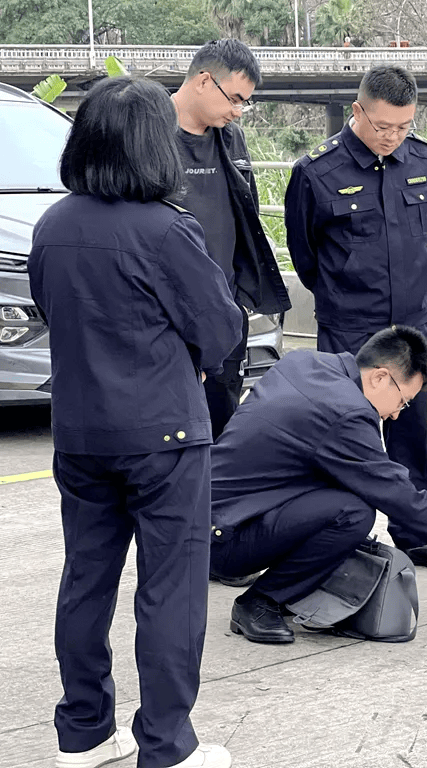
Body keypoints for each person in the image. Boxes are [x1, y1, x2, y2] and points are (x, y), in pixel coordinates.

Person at [29, 77, 242, 768]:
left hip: (82, 433)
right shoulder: (166, 228)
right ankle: (166, 745)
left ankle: (84, 732)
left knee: (85, 581)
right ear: (156, 145)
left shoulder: (53, 226)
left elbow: (51, 311)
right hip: (164, 437)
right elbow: (220, 329)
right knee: (170, 594)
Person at [208, 325, 427, 644]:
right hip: (224, 541)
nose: (398, 414)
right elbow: (400, 497)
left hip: (204, 516)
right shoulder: (346, 413)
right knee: (354, 513)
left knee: (347, 492)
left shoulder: (304, 362)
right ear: (380, 377)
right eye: (403, 401)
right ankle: (261, 601)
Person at [284, 64, 427, 570]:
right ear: (357, 111)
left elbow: (426, 225)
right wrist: (347, 292)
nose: (393, 137)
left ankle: (421, 530)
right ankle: (340, 531)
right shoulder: (316, 171)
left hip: (411, 325)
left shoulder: (423, 159)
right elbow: (305, 253)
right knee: (342, 432)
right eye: (383, 126)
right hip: (350, 327)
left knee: (412, 428)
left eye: (403, 126)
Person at [171, 39, 292, 441]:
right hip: (167, 318)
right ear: (205, 80)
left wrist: (238, 300)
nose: (238, 110)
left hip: (223, 314)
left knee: (221, 433)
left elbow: (247, 214)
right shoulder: (148, 135)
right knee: (170, 436)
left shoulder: (232, 138)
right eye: (235, 98)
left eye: (245, 102)